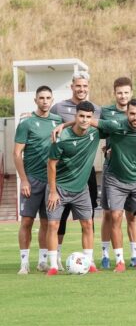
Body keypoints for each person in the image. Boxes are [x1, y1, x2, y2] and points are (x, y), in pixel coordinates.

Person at [90, 99, 136, 272]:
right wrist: (63, 125)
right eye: (132, 113)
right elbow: (88, 120)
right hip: (116, 179)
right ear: (126, 113)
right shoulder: (115, 125)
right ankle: (119, 261)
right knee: (115, 216)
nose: (135, 117)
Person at [50, 71, 101, 268]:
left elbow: (101, 126)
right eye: (78, 85)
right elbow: (48, 122)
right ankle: (56, 258)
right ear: (72, 86)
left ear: (89, 87)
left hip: (85, 171)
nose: (81, 89)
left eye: (85, 86)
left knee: (88, 217)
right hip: (63, 171)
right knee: (59, 218)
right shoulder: (58, 107)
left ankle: (89, 259)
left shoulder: (96, 109)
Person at [14, 86, 63, 274]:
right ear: (35, 100)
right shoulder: (26, 123)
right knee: (27, 221)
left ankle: (43, 262)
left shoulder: (58, 121)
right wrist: (24, 180)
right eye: (41, 98)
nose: (45, 101)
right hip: (32, 180)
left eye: (48, 98)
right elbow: (17, 153)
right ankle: (24, 263)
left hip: (51, 182)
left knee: (46, 223)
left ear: (52, 100)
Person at [99, 77, 136, 269]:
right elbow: (96, 130)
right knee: (109, 214)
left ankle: (135, 255)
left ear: (131, 93)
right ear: (114, 93)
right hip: (112, 169)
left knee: (132, 215)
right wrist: (106, 149)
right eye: (119, 93)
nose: (123, 96)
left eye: (126, 92)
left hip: (132, 169)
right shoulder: (106, 112)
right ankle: (105, 254)